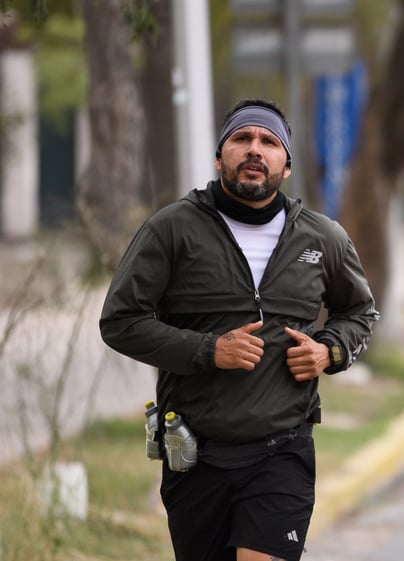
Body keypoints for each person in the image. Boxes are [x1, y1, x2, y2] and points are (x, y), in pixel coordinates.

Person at [100, 98, 379, 561]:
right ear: (219, 156)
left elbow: (361, 314)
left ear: (285, 166)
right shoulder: (171, 230)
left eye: (269, 142)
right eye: (242, 139)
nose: (255, 149)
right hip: (195, 454)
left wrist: (329, 352)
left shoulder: (322, 238)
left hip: (282, 450)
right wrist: (208, 350)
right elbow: (119, 321)